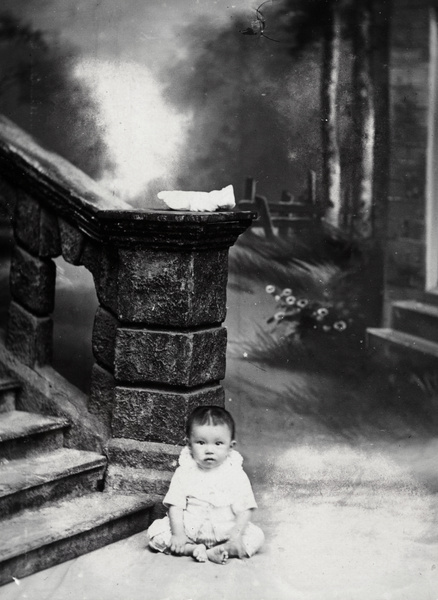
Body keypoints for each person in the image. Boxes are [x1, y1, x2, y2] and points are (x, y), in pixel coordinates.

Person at [147, 405, 264, 564]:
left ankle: (222, 550)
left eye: (218, 443)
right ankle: (193, 549)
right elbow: (176, 505)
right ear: (189, 445)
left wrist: (235, 537)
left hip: (226, 532)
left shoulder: (235, 474)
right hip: (190, 532)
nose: (209, 450)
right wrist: (178, 534)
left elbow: (244, 509)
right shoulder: (185, 471)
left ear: (230, 447)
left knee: (256, 536)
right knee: (155, 533)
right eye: (201, 443)